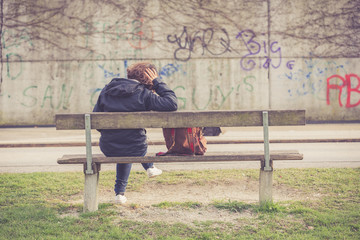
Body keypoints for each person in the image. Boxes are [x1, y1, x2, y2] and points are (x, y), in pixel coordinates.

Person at [93, 62, 178, 204]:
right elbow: (171, 104)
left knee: (125, 145)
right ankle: (149, 167)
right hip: (136, 147)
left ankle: (119, 194)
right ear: (148, 79)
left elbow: (96, 120)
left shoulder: (107, 90)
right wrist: (157, 82)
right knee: (130, 144)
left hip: (109, 147)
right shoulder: (143, 94)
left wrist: (110, 133)